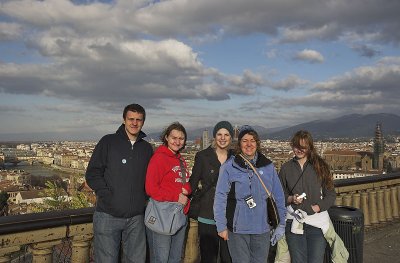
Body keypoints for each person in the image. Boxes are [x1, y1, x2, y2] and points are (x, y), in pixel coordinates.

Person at [85, 103, 153, 263]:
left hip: (136, 218)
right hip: (108, 215)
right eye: (131, 119)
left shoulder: (146, 148)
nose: (134, 123)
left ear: (143, 122)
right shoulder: (108, 142)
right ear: (124, 120)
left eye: (138, 119)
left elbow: (151, 178)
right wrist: (106, 195)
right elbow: (92, 173)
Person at [214, 125, 286, 263]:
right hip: (237, 229)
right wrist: (221, 226)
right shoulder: (229, 167)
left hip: (262, 227)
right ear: (239, 144)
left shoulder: (268, 166)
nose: (249, 144)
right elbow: (220, 197)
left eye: (252, 140)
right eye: (245, 140)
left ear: (257, 143)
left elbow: (278, 195)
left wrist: (281, 223)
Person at [278, 130, 336, 263]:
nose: (299, 150)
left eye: (303, 147)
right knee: (298, 260)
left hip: (316, 222)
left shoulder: (320, 167)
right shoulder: (286, 168)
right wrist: (291, 199)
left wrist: (317, 207)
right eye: (296, 146)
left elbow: (331, 194)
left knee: (315, 260)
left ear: (309, 147)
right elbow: (279, 196)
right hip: (293, 222)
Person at [145, 122, 192, 263]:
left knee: (175, 258)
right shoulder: (159, 158)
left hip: (179, 214)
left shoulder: (181, 159)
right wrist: (176, 196)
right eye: (174, 137)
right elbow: (151, 189)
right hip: (162, 215)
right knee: (161, 259)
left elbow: (183, 182)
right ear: (166, 137)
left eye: (181, 138)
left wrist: (188, 189)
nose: (177, 142)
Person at [189, 121, 234, 263]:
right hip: (207, 214)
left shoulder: (236, 158)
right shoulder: (203, 156)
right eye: (219, 134)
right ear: (214, 137)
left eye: (226, 134)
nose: (222, 138)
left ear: (231, 137)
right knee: (209, 257)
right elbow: (192, 183)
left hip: (229, 215)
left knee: (229, 257)